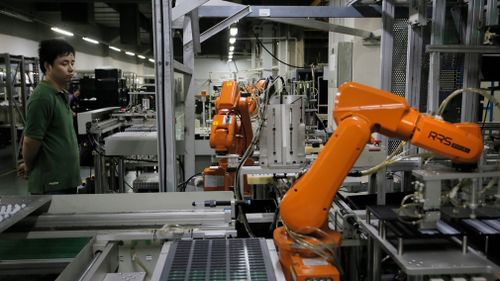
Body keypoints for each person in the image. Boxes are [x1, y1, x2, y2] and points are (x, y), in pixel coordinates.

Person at [17, 39, 81, 194]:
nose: (71, 68)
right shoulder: (42, 97)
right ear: (47, 66)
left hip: (65, 179)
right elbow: (31, 141)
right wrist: (29, 165)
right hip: (52, 183)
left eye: (72, 63)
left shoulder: (60, 94)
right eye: (64, 63)